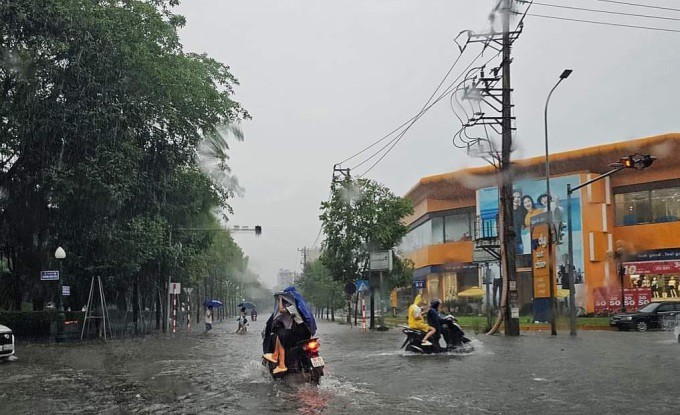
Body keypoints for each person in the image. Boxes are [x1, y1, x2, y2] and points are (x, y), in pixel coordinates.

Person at [262, 287, 315, 375]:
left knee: (279, 335)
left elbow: (281, 310)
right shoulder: (301, 307)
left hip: (300, 332)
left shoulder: (293, 307)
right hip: (306, 333)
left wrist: (280, 299)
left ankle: (277, 359)